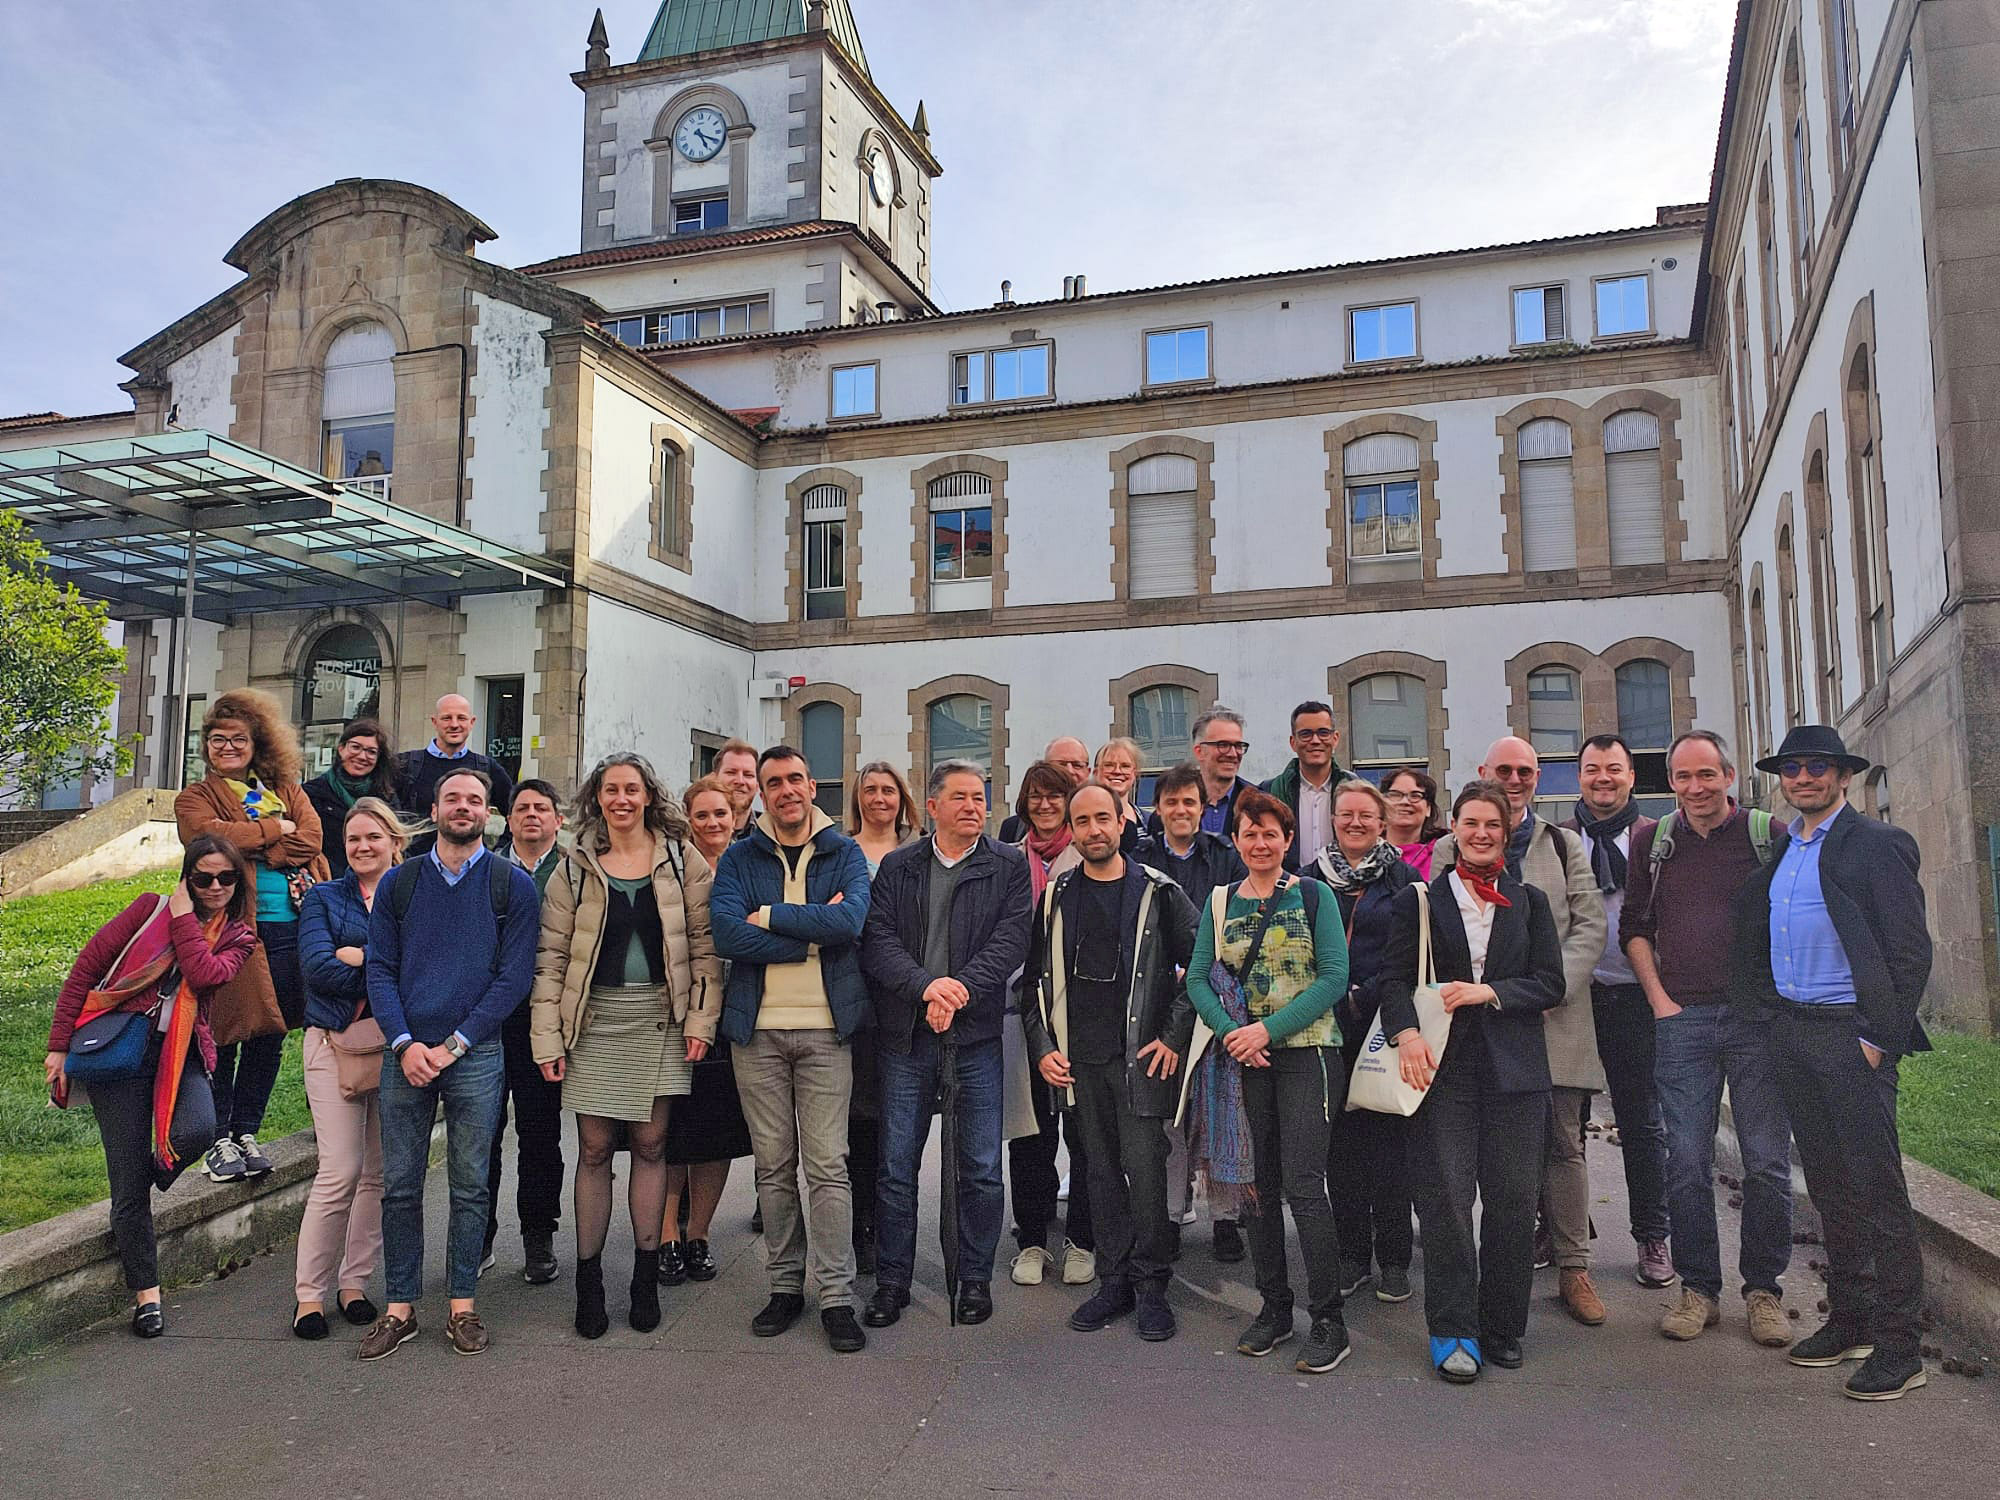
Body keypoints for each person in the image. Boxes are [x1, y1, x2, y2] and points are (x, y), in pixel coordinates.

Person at [1731, 726, 1933, 1401]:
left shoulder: (1877, 845)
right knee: (1829, 1187)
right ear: (1781, 779)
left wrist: (1878, 1038)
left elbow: (1909, 954)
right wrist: (1769, 1018)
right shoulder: (1785, 850)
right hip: (1795, 1034)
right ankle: (1853, 1321)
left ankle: (1903, 1346)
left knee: (1878, 1193)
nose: (1804, 777)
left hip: (1853, 1037)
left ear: (1842, 776)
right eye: (1793, 767)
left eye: (1818, 767)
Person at [1381, 780, 1567, 1383]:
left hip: (1517, 1074)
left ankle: (1503, 1327)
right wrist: (1407, 1035)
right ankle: (1452, 1328)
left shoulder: (1531, 901)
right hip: (1443, 1072)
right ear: (1453, 828)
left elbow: (1550, 984)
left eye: (1493, 824)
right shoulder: (1421, 901)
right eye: (1471, 823)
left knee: (1513, 1204)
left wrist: (1491, 992)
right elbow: (1393, 981)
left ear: (1506, 833)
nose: (1481, 833)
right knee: (1447, 1205)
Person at [531, 753, 721, 1338]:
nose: (621, 799)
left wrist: (700, 1022)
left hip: (661, 1016)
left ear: (647, 796)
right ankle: (589, 1283)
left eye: (631, 789)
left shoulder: (681, 858)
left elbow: (704, 946)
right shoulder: (574, 866)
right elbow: (553, 958)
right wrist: (547, 1037)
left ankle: (643, 1277)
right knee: (592, 1148)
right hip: (593, 1020)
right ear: (598, 798)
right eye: (611, 789)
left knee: (651, 1141)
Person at [45, 836, 259, 1338]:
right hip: (119, 1056)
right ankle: (147, 1297)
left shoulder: (238, 937)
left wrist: (184, 918)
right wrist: (58, 1047)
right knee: (127, 1189)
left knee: (200, 1130)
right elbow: (86, 970)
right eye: (202, 877)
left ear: (237, 882)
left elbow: (205, 975)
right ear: (187, 876)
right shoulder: (147, 909)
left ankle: (137, 1189)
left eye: (225, 878)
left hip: (178, 1058)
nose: (214, 887)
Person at [1623, 730, 1794, 1347]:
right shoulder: (1653, 842)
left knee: (1768, 1164)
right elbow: (1635, 928)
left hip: (1757, 1024)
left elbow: (1794, 918)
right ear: (1670, 782)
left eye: (1707, 775)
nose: (1696, 788)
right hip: (1683, 1022)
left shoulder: (1766, 836)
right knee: (1687, 1161)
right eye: (1683, 777)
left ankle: (1765, 1291)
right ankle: (1699, 1289)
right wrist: (1660, 1002)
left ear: (1729, 775)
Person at [361, 767, 539, 1361]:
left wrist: (455, 1044)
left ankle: (463, 1304)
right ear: (434, 809)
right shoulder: (399, 885)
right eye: (452, 798)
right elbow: (379, 970)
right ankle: (400, 1307)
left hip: (475, 1054)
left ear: (489, 814)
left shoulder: (511, 886)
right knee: (401, 1187)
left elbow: (513, 978)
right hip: (406, 1054)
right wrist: (405, 1044)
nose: (463, 807)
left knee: (470, 1184)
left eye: (475, 800)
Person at [1435, 736, 1608, 1328]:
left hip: (1547, 1020)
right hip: (1464, 1033)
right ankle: (1466, 1297)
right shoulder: (1443, 852)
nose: (1514, 779)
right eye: (1502, 770)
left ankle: (1573, 1266)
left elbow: (1589, 925)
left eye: (1525, 771)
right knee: (1469, 1164)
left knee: (1562, 1143)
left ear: (1538, 779)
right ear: (1483, 773)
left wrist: (1550, 988)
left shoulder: (1561, 844)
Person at [1021, 782, 1198, 1340]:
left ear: (1123, 821)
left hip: (1140, 1061)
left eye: (1104, 818)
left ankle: (1151, 1287)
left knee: (1145, 1175)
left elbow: (1202, 970)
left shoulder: (1158, 892)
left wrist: (1172, 1037)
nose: (1094, 829)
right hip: (1079, 1065)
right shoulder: (1057, 895)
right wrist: (1044, 1048)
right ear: (1071, 831)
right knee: (1099, 1175)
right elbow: (1032, 986)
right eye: (1083, 821)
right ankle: (1114, 1281)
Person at [711, 746, 874, 1352]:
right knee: (774, 1166)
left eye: (795, 779)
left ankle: (836, 1295)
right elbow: (726, 933)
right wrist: (808, 934)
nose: (785, 791)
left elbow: (851, 923)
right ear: (760, 792)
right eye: (772, 782)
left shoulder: (845, 852)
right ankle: (784, 1287)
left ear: (812, 786)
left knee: (828, 1166)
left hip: (827, 1030)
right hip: (758, 1031)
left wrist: (771, 916)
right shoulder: (738, 856)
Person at [1184, 787, 1352, 1374]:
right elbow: (1199, 979)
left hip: (1309, 1056)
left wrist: (1267, 1032)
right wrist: (1234, 1032)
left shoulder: (1314, 896)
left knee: (1305, 1188)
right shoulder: (1220, 900)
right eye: (1249, 833)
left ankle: (1328, 1318)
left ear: (1286, 841)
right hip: (1243, 1061)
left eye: (1270, 833)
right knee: (1256, 1191)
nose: (1260, 842)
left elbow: (1333, 978)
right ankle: (1274, 1307)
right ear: (1236, 841)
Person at [860, 760, 1032, 1329]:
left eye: (979, 798)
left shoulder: (1006, 865)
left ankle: (975, 1279)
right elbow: (878, 939)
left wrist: (957, 988)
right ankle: (892, 1282)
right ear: (931, 806)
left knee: (982, 1165)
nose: (972, 807)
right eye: (958, 797)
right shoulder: (899, 866)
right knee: (895, 1165)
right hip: (907, 1036)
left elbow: (1012, 939)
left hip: (976, 1034)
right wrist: (925, 986)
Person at [175, 688, 325, 1184]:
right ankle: (218, 1139)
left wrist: (266, 848)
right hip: (232, 929)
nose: (227, 747)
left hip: (291, 927)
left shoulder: (283, 786)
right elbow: (208, 842)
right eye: (217, 739)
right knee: (225, 1032)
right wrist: (271, 831)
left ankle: (246, 1133)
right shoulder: (195, 796)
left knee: (272, 1031)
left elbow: (313, 837)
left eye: (237, 739)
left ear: (255, 742)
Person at [293, 798, 409, 1338]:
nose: (363, 847)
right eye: (353, 839)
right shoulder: (322, 898)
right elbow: (316, 970)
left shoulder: (412, 895)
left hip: (392, 1047)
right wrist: (382, 965)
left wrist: (357, 956)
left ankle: (354, 1283)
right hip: (331, 1045)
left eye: (373, 837)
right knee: (339, 1169)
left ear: (394, 841)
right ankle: (309, 1297)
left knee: (377, 1176)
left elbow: (424, 969)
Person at [1566, 734, 1674, 1292]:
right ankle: (1565, 1232)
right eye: (1591, 770)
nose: (1602, 779)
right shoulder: (1561, 841)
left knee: (1641, 1121)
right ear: (1577, 776)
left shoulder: (1656, 837)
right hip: (1575, 998)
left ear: (1632, 775)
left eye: (1613, 769)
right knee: (1566, 1124)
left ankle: (1652, 1235)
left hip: (1636, 994)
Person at [1314, 778, 1421, 1304]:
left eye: (1365, 815)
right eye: (1345, 814)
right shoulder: (1311, 879)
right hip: (1326, 1028)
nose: (1354, 823)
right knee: (1342, 1149)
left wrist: (1367, 994)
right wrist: (1334, 996)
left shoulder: (1405, 880)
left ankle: (1395, 1258)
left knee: (1390, 1148)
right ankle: (1353, 1255)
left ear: (1382, 823)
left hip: (1383, 1026)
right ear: (1333, 820)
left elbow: (1413, 954)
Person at [1136, 761, 1247, 1261]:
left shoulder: (1226, 857)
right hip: (1161, 1003)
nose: (1181, 810)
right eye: (1171, 802)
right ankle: (1173, 1214)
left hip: (1223, 996)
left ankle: (1226, 1217)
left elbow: (1245, 915)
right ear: (1157, 809)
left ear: (1204, 808)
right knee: (1170, 1118)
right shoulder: (1138, 859)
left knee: (1222, 1109)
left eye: (1190, 802)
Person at [657, 776, 755, 1287]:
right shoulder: (672, 870)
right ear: (687, 819)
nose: (714, 823)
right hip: (681, 1013)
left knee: (716, 1133)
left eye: (722, 814)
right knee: (674, 1132)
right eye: (703, 815)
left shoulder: (749, 865)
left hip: (737, 1012)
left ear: (735, 817)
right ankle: (667, 1234)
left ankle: (699, 1235)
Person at [1007, 761, 1096, 1290]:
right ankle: (1032, 1239)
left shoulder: (1085, 855)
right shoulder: (1010, 860)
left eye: (1054, 796)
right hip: (1022, 1010)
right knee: (1030, 1133)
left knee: (1084, 1133)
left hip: (1081, 1014)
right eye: (1035, 796)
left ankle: (1082, 1239)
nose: (1044, 805)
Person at [484, 778, 568, 1287]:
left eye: (542, 807)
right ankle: (481, 1235)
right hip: (493, 1018)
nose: (532, 815)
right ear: (509, 820)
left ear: (558, 820)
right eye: (522, 808)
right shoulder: (487, 869)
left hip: (549, 1020)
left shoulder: (575, 871)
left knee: (541, 1135)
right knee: (484, 1135)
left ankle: (539, 1235)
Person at [840, 763, 919, 1275]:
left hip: (903, 997)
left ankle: (896, 1229)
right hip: (852, 997)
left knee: (899, 1123)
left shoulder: (917, 853)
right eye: (869, 789)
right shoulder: (842, 850)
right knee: (858, 1122)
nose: (878, 798)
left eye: (888, 789)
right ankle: (861, 1227)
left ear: (902, 798)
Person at [303, 719, 401, 878]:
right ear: (341, 749)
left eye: (371, 752)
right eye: (355, 747)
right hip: (329, 882)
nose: (362, 756)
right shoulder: (313, 793)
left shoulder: (387, 796)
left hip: (378, 882)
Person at [395, 693, 515, 821]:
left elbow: (515, 814)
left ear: (472, 722)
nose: (454, 724)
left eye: (461, 718)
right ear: (434, 722)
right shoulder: (404, 765)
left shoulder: (487, 768)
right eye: (447, 718)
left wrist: (505, 841)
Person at [1261, 701, 1348, 870]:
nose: (1315, 741)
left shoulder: (1354, 790)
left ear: (1335, 738)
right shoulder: (1270, 793)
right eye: (1306, 734)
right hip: (1287, 889)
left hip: (1344, 890)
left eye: (1323, 733)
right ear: (1293, 742)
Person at [1148, 707, 1251, 839]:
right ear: (1199, 751)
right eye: (1223, 745)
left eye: (1238, 746)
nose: (1232, 754)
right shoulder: (1167, 814)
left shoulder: (1258, 804)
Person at [998, 736, 1093, 842]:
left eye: (1077, 765)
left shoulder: (1097, 826)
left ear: (1088, 772)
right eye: (1061, 764)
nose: (1069, 771)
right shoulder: (1013, 829)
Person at [1383, 766, 1448, 879]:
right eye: (1395, 794)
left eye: (1415, 796)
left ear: (1428, 808)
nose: (1405, 802)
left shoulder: (1445, 854)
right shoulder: (1364, 852)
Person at [1091, 737, 1146, 848]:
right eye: (1109, 765)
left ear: (1135, 774)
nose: (1117, 771)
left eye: (1125, 766)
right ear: (1096, 772)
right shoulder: (1084, 818)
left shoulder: (1149, 822)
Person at [714, 739, 761, 839]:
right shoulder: (690, 832)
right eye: (731, 772)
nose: (740, 781)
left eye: (748, 775)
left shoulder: (773, 834)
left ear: (757, 785)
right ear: (714, 779)